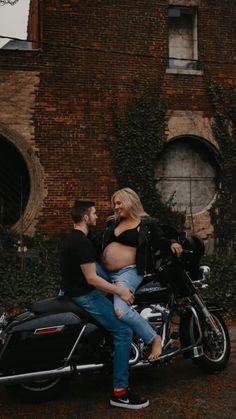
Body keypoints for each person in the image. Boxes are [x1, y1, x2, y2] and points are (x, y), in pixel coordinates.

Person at [60, 199, 150, 410]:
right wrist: (120, 290)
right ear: (85, 217)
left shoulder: (72, 238)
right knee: (123, 331)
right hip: (85, 295)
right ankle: (120, 393)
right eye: (93, 213)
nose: (97, 217)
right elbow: (92, 278)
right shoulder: (81, 243)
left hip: (70, 291)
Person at [101, 187, 182, 361]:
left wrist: (172, 243)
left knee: (120, 311)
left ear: (130, 201)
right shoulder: (113, 223)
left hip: (127, 272)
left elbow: (160, 239)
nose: (115, 207)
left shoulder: (146, 223)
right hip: (107, 273)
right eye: (114, 203)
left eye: (119, 202)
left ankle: (154, 338)